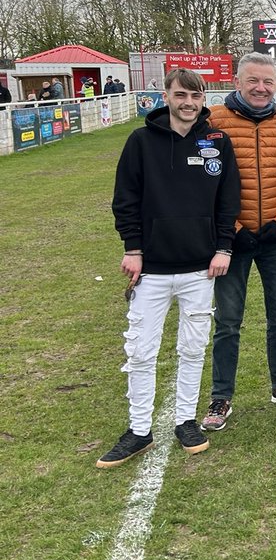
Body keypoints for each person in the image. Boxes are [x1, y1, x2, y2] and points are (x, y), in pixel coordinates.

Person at [98, 68, 240, 468]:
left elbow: (229, 200)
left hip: (201, 267)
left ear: (203, 98)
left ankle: (184, 420)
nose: (189, 103)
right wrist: (133, 247)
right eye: (181, 95)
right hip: (152, 269)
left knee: (193, 348)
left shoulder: (217, 141)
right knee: (141, 350)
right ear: (166, 95)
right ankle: (139, 428)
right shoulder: (141, 141)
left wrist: (224, 248)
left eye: (196, 96)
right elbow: (125, 198)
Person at [201, 52, 276, 431]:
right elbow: (205, 183)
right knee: (228, 321)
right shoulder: (213, 121)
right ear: (237, 82)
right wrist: (231, 228)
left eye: (268, 82)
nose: (261, 88)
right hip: (230, 242)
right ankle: (221, 396)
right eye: (253, 81)